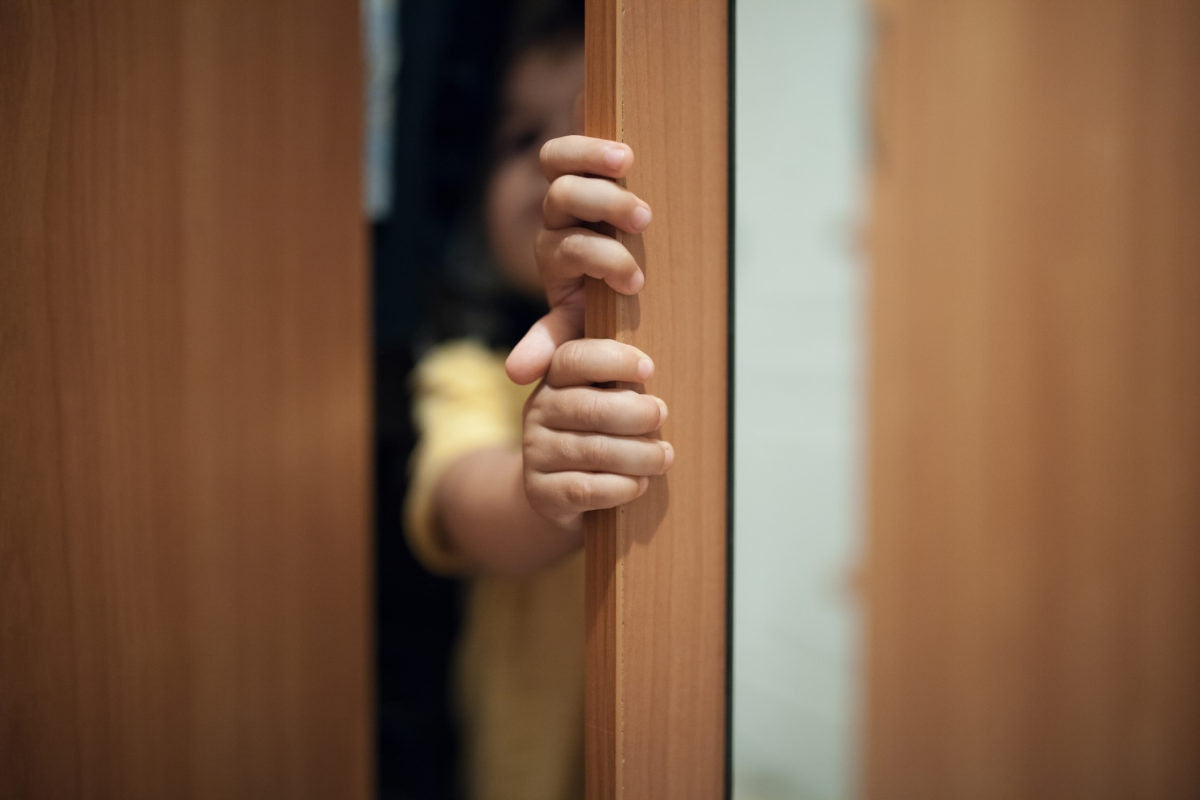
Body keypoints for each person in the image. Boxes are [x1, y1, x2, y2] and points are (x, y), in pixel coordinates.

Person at [403, 15, 671, 800]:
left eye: (587, 132)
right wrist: (538, 486)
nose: (558, 172)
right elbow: (458, 499)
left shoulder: (687, 357)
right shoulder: (474, 374)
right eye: (523, 138)